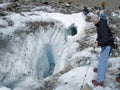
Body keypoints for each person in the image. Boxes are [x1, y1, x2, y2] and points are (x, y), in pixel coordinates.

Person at [91, 14, 114, 86]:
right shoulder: (99, 24)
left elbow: (105, 38)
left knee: (102, 62)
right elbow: (100, 35)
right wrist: (97, 41)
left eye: (93, 21)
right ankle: (100, 71)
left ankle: (100, 81)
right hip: (105, 44)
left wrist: (98, 44)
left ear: (96, 20)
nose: (93, 22)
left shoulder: (102, 26)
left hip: (108, 44)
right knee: (102, 59)